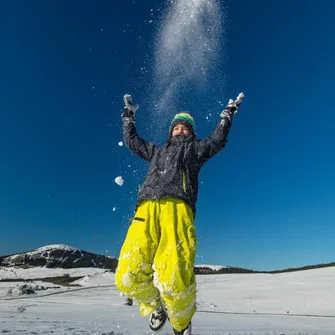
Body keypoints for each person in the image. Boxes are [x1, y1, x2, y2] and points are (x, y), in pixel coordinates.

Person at [115, 92, 244, 335]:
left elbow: (217, 140)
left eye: (185, 127)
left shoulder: (195, 151)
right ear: (170, 131)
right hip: (146, 209)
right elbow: (132, 141)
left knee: (174, 275)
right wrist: (128, 116)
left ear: (191, 132)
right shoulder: (156, 152)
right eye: (176, 127)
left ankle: (181, 323)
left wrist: (227, 115)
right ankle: (156, 306)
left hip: (178, 209)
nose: (180, 130)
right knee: (127, 275)